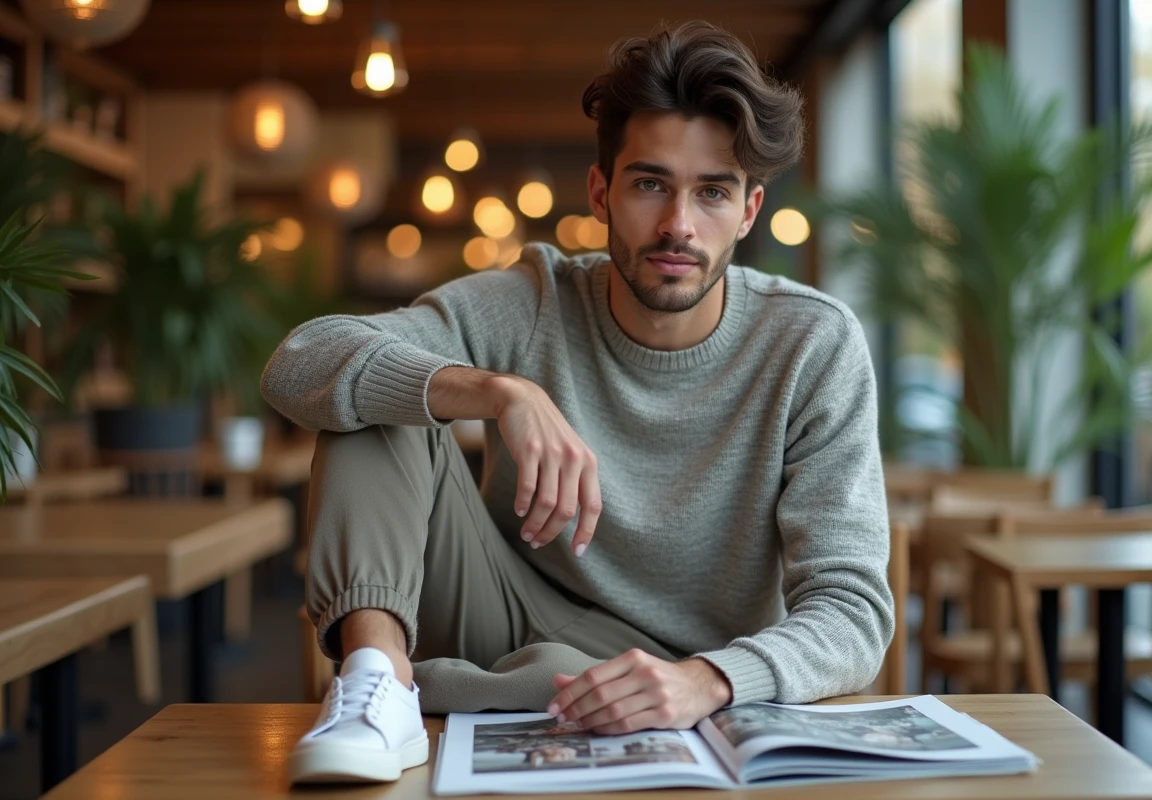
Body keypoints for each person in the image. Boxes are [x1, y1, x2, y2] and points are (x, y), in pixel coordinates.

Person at [265, 20, 893, 785]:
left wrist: (710, 679)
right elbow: (299, 361)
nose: (678, 225)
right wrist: (499, 391)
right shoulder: (535, 300)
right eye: (650, 184)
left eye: (712, 192)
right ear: (602, 192)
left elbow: (853, 612)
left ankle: (485, 687)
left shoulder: (811, 343)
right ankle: (380, 684)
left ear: (749, 210)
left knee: (385, 395)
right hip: (504, 614)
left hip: (689, 683)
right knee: (376, 396)